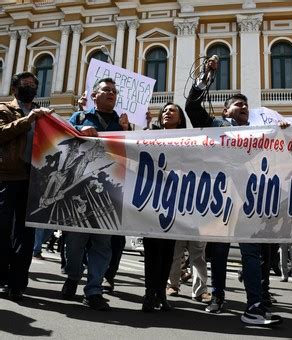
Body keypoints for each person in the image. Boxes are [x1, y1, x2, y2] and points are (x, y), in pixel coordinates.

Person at [185, 56, 282, 326]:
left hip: (248, 202)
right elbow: (192, 108)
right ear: (226, 111)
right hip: (221, 200)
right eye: (239, 104)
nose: (244, 107)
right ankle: (217, 296)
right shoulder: (216, 126)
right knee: (219, 252)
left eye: (246, 105)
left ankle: (254, 306)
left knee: (252, 254)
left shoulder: (258, 132)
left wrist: (284, 133)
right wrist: (205, 77)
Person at [61, 77, 129, 311]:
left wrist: (127, 131)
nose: (111, 93)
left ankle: (93, 290)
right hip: (79, 190)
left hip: (108, 192)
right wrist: (79, 130)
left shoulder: (121, 124)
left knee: (102, 244)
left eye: (114, 91)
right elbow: (62, 138)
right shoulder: (79, 118)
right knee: (75, 242)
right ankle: (72, 276)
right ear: (94, 96)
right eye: (106, 90)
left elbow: (129, 155)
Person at [0, 71, 53, 301]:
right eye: (25, 84)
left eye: (33, 84)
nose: (30, 86)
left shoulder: (45, 114)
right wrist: (28, 119)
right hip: (7, 176)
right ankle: (2, 278)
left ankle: (18, 281)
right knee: (2, 230)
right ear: (15, 88)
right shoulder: (4, 109)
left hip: (32, 179)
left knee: (25, 233)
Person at [141, 103, 186, 312]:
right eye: (165, 111)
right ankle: (149, 293)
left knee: (168, 251)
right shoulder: (152, 134)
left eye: (173, 111)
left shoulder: (189, 139)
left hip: (174, 201)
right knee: (152, 250)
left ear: (180, 118)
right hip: (152, 199)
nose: (168, 113)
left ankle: (160, 292)